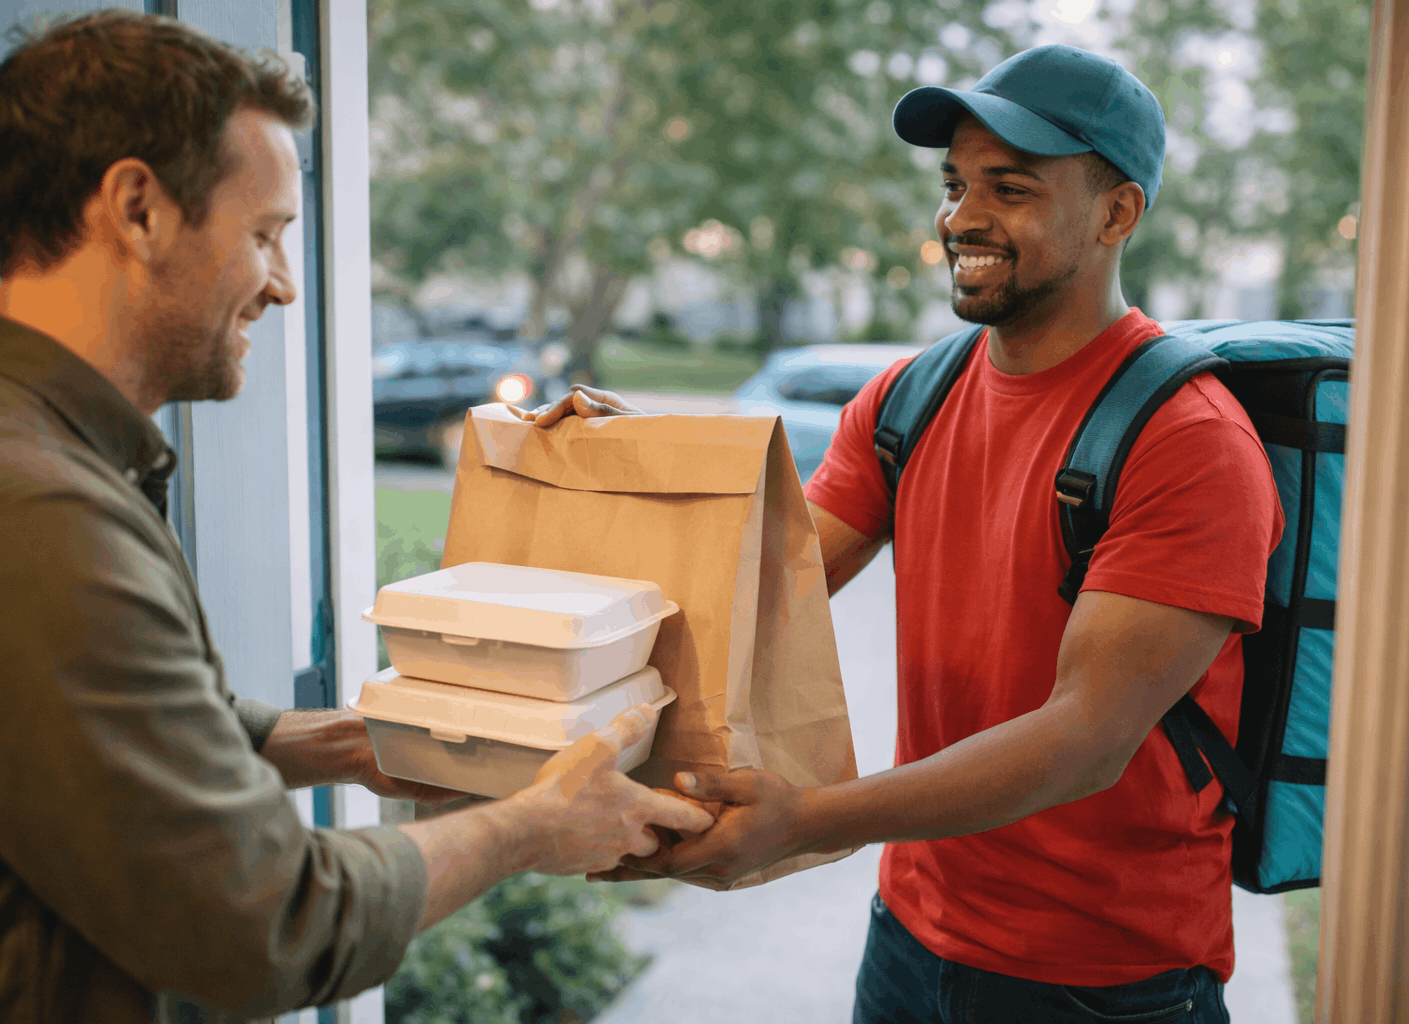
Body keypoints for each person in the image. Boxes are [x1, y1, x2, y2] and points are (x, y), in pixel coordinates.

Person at [0, 12, 710, 1023]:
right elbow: (271, 924)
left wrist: (325, 740)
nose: (281, 282)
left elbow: (60, 718)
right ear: (137, 208)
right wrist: (533, 825)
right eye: (265, 234)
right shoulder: (31, 517)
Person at [533, 44, 1283, 1024]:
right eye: (956, 184)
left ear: (1116, 212)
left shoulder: (1188, 440)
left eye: (1009, 189)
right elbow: (758, 581)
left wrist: (805, 821)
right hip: (910, 942)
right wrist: (637, 463)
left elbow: (1083, 740)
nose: (962, 218)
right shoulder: (910, 399)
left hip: (1104, 982)